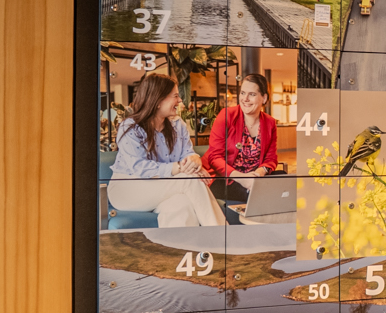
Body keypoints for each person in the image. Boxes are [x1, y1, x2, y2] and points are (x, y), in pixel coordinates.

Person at [108, 74, 224, 227]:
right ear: (158, 100)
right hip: (128, 190)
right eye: (175, 96)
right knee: (189, 180)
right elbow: (140, 167)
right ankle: (223, 236)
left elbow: (187, 152)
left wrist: (194, 159)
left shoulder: (177, 124)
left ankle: (180, 244)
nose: (180, 100)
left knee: (181, 205)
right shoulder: (130, 127)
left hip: (163, 186)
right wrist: (180, 168)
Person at [203, 74, 280, 207]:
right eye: (243, 93)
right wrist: (242, 178)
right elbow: (215, 157)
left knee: (283, 179)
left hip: (254, 177)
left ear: (264, 97)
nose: (245, 99)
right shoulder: (226, 115)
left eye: (252, 94)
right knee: (262, 195)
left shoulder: (270, 123)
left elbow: (271, 158)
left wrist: (259, 173)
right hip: (226, 179)